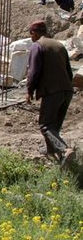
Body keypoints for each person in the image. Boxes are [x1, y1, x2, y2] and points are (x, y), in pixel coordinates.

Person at [26, 20, 75, 166]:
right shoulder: (59, 45)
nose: (31, 38)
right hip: (67, 91)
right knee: (54, 126)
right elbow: (69, 71)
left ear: (34, 33)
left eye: (31, 34)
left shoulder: (38, 46)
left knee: (45, 125)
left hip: (52, 91)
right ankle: (51, 151)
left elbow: (33, 71)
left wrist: (29, 91)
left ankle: (65, 150)